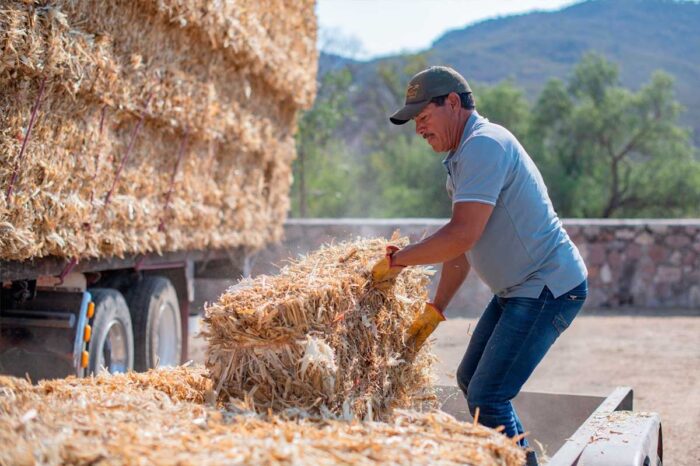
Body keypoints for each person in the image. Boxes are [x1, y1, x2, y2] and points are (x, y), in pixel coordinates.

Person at [371, 66, 588, 465]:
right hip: (519, 290)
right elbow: (461, 249)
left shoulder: (485, 145)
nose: (419, 129)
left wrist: (398, 261)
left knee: (489, 394)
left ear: (452, 103)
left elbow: (460, 235)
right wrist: (437, 308)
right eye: (415, 121)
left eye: (423, 117)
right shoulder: (462, 157)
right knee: (471, 381)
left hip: (547, 286)